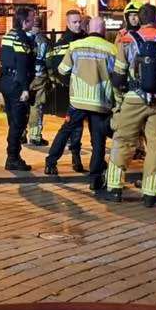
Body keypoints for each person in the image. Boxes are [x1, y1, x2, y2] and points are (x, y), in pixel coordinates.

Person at [102, 3, 156, 207]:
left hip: (133, 98)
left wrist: (120, 102)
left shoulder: (126, 40)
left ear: (139, 19)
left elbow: (118, 75)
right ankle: (151, 195)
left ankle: (114, 188)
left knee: (123, 142)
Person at [45, 16, 117, 189]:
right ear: (104, 30)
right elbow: (117, 76)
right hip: (100, 101)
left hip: (78, 100)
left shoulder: (75, 46)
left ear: (88, 27)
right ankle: (94, 177)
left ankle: (51, 162)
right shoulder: (111, 49)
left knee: (65, 131)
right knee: (98, 140)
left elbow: (62, 70)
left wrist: (72, 83)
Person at [44, 10, 90, 170]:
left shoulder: (86, 39)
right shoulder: (64, 42)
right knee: (73, 127)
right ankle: (72, 158)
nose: (78, 25)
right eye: (74, 22)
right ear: (68, 23)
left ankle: (90, 160)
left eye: (79, 22)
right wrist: (68, 83)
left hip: (88, 91)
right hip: (74, 91)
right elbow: (56, 66)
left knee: (91, 127)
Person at [0, 6, 37, 171]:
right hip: (16, 84)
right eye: (32, 19)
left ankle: (13, 155)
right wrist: (25, 89)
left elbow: (2, 57)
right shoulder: (20, 37)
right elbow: (21, 63)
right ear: (25, 21)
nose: (34, 21)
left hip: (6, 80)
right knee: (18, 123)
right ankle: (13, 157)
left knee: (12, 121)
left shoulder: (9, 34)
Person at [25, 15, 53, 147]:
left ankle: (20, 134)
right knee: (36, 106)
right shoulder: (44, 40)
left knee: (23, 106)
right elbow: (49, 61)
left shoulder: (23, 38)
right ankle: (35, 136)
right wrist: (52, 77)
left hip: (25, 76)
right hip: (40, 76)